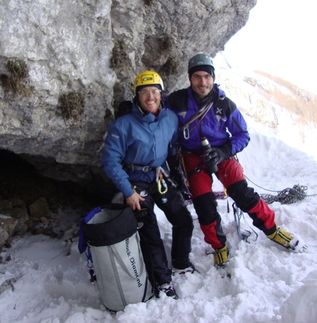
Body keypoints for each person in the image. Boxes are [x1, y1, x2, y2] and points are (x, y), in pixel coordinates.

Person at [166, 53, 306, 268]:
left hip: (222, 153)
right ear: (190, 78)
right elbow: (154, 103)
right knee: (204, 205)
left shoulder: (224, 105)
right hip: (193, 157)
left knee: (242, 193)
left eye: (206, 76)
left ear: (213, 78)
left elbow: (243, 135)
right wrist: (133, 107)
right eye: (197, 77)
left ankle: (272, 230)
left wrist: (222, 153)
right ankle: (219, 246)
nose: (202, 82)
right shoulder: (177, 100)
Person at [101, 70, 195, 298]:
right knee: (149, 228)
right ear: (137, 97)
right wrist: (127, 192)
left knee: (183, 219)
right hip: (135, 182)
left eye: (155, 91)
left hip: (159, 178)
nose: (150, 97)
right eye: (144, 92)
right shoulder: (123, 125)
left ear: (161, 95)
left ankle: (180, 262)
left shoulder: (169, 119)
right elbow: (110, 160)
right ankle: (162, 281)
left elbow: (172, 149)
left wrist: (179, 179)